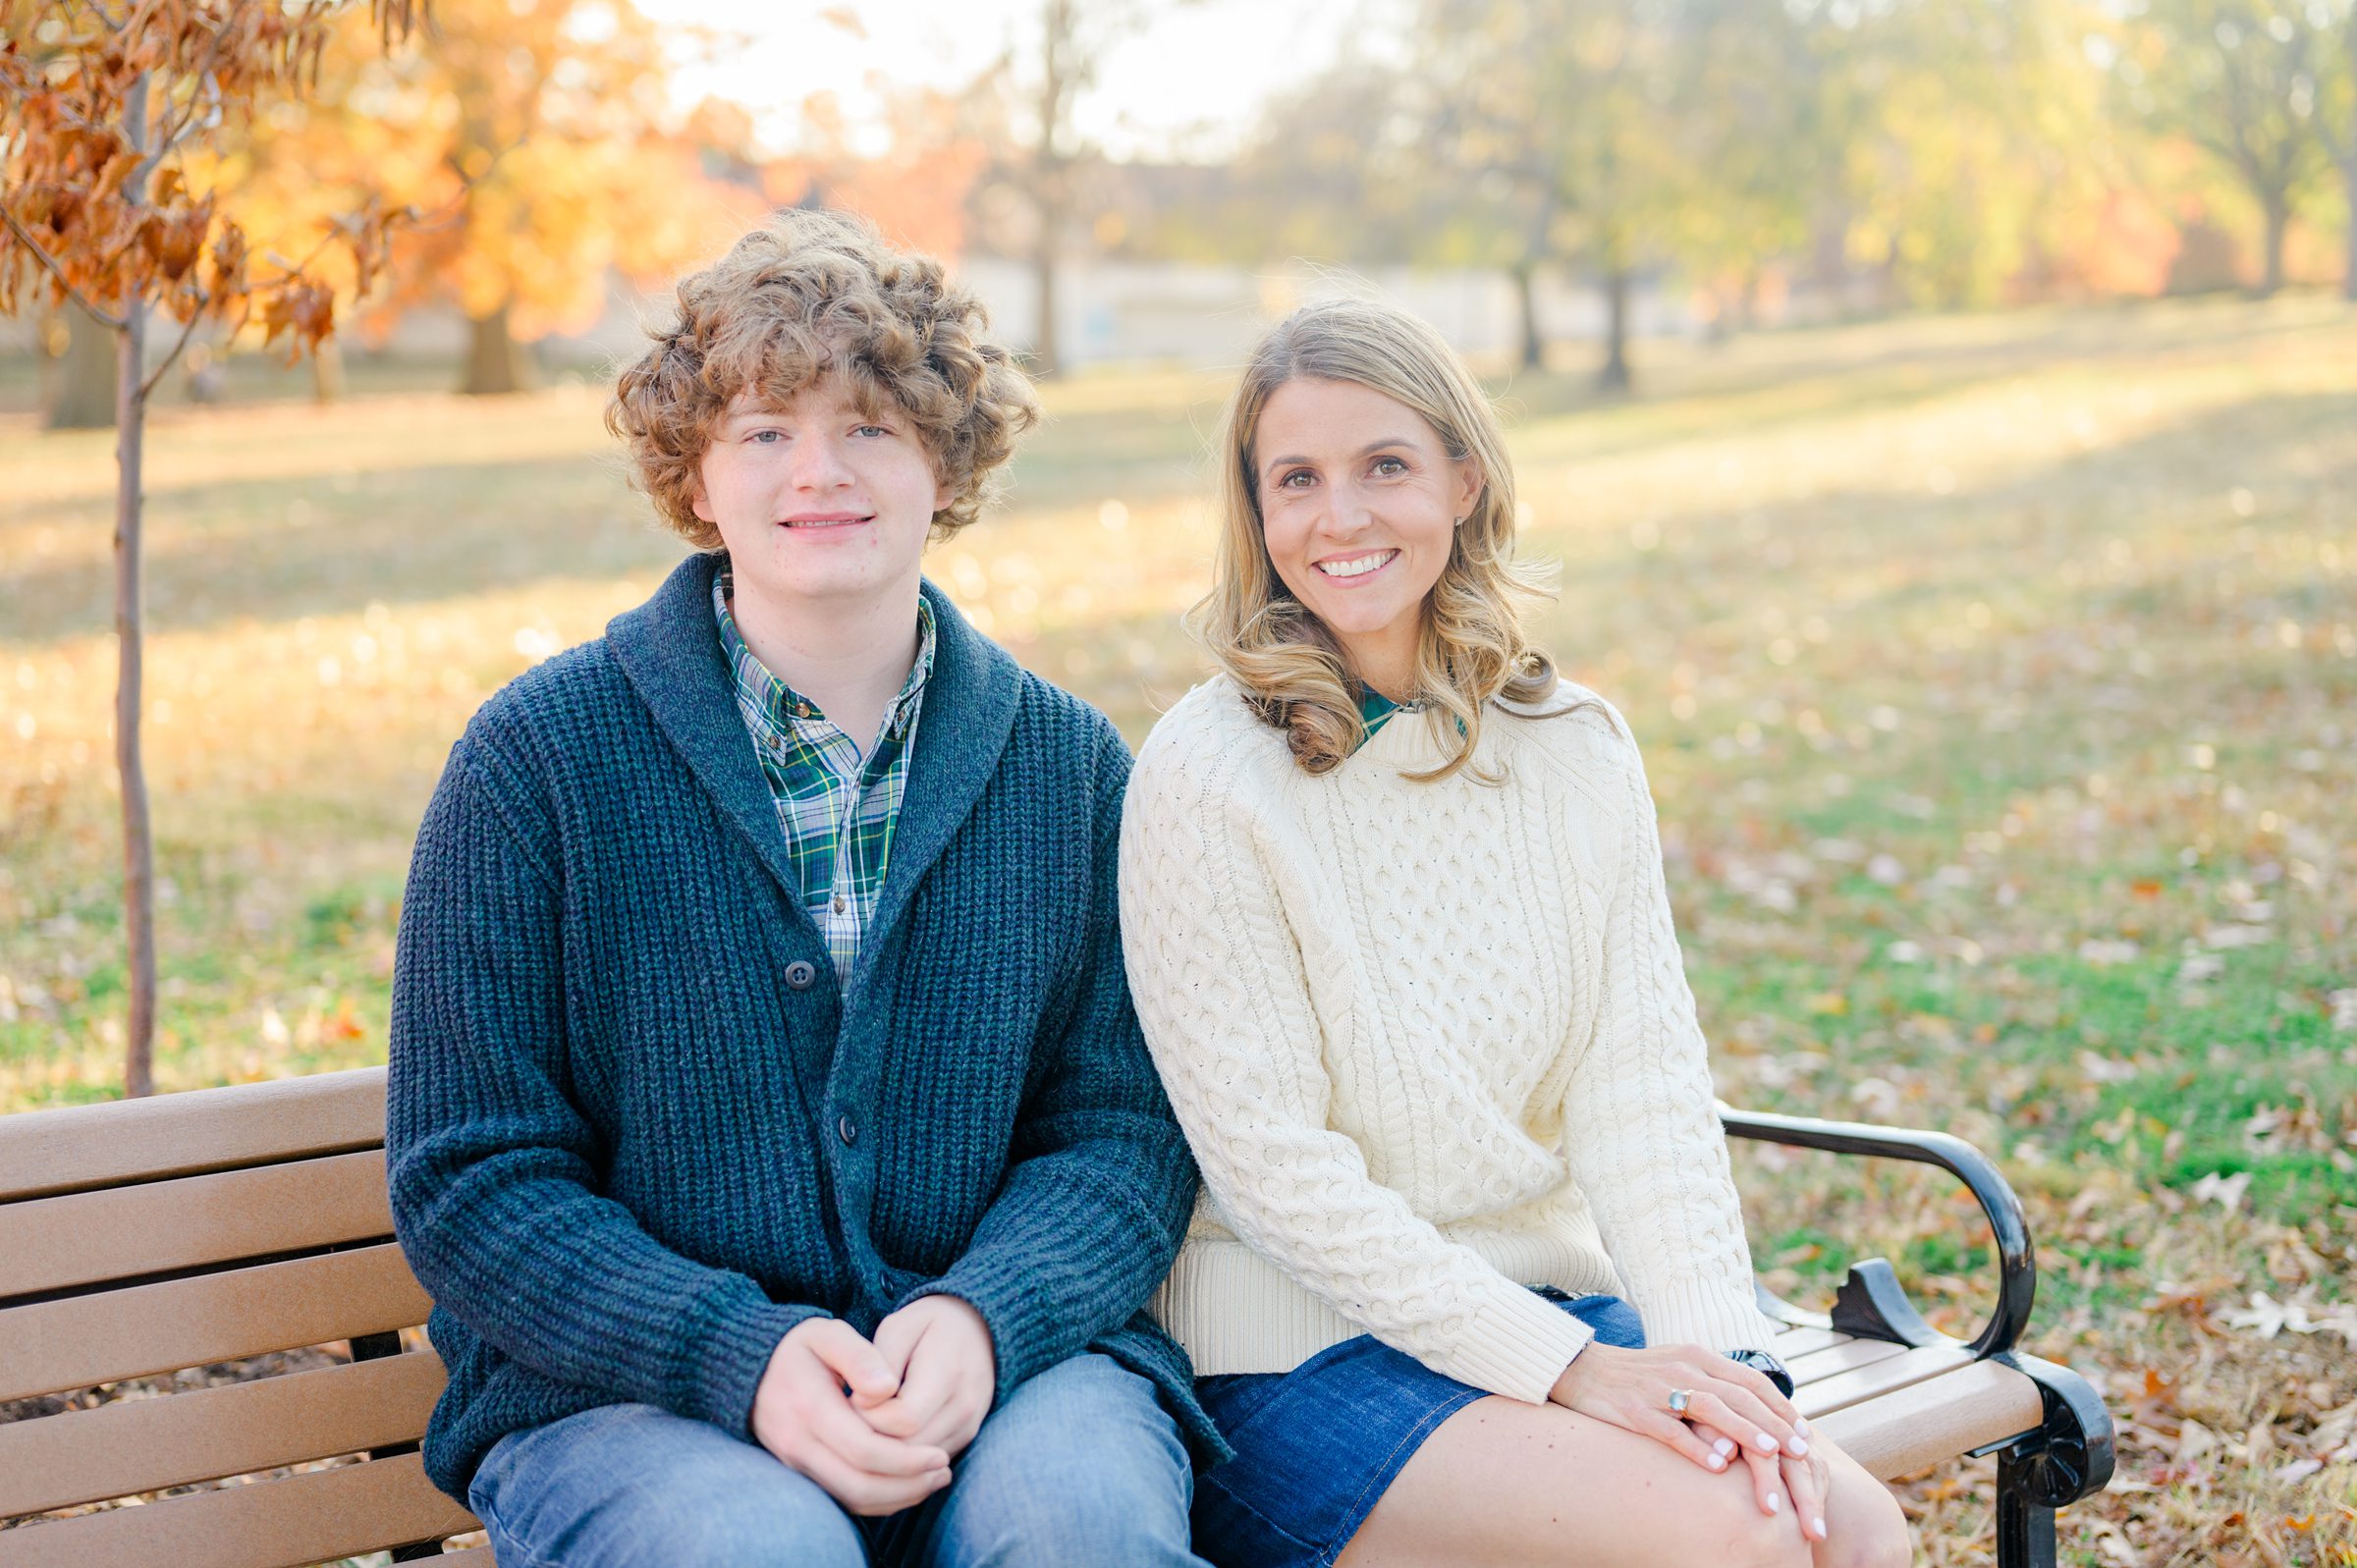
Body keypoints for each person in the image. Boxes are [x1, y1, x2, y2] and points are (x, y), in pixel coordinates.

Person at [386, 209, 1219, 1568]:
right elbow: (472, 1175)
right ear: (697, 474)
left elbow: (1120, 1131)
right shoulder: (535, 763)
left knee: (1083, 1527)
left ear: (945, 462)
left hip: (1008, 1366)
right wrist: (737, 1351)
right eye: (766, 430)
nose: (818, 471)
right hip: (629, 1395)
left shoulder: (1068, 769)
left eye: (871, 427)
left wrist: (987, 1314)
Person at [1118, 296, 1914, 1568]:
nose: (1343, 515)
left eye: (1386, 465)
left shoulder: (1572, 748)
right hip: (1295, 1350)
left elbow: (1641, 1087)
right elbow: (1274, 1171)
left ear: (1463, 477)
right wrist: (1575, 1369)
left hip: (1543, 1303)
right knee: (1735, 1543)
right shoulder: (1209, 771)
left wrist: (1726, 1356)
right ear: (1257, 514)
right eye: (1297, 479)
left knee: (1858, 1530)